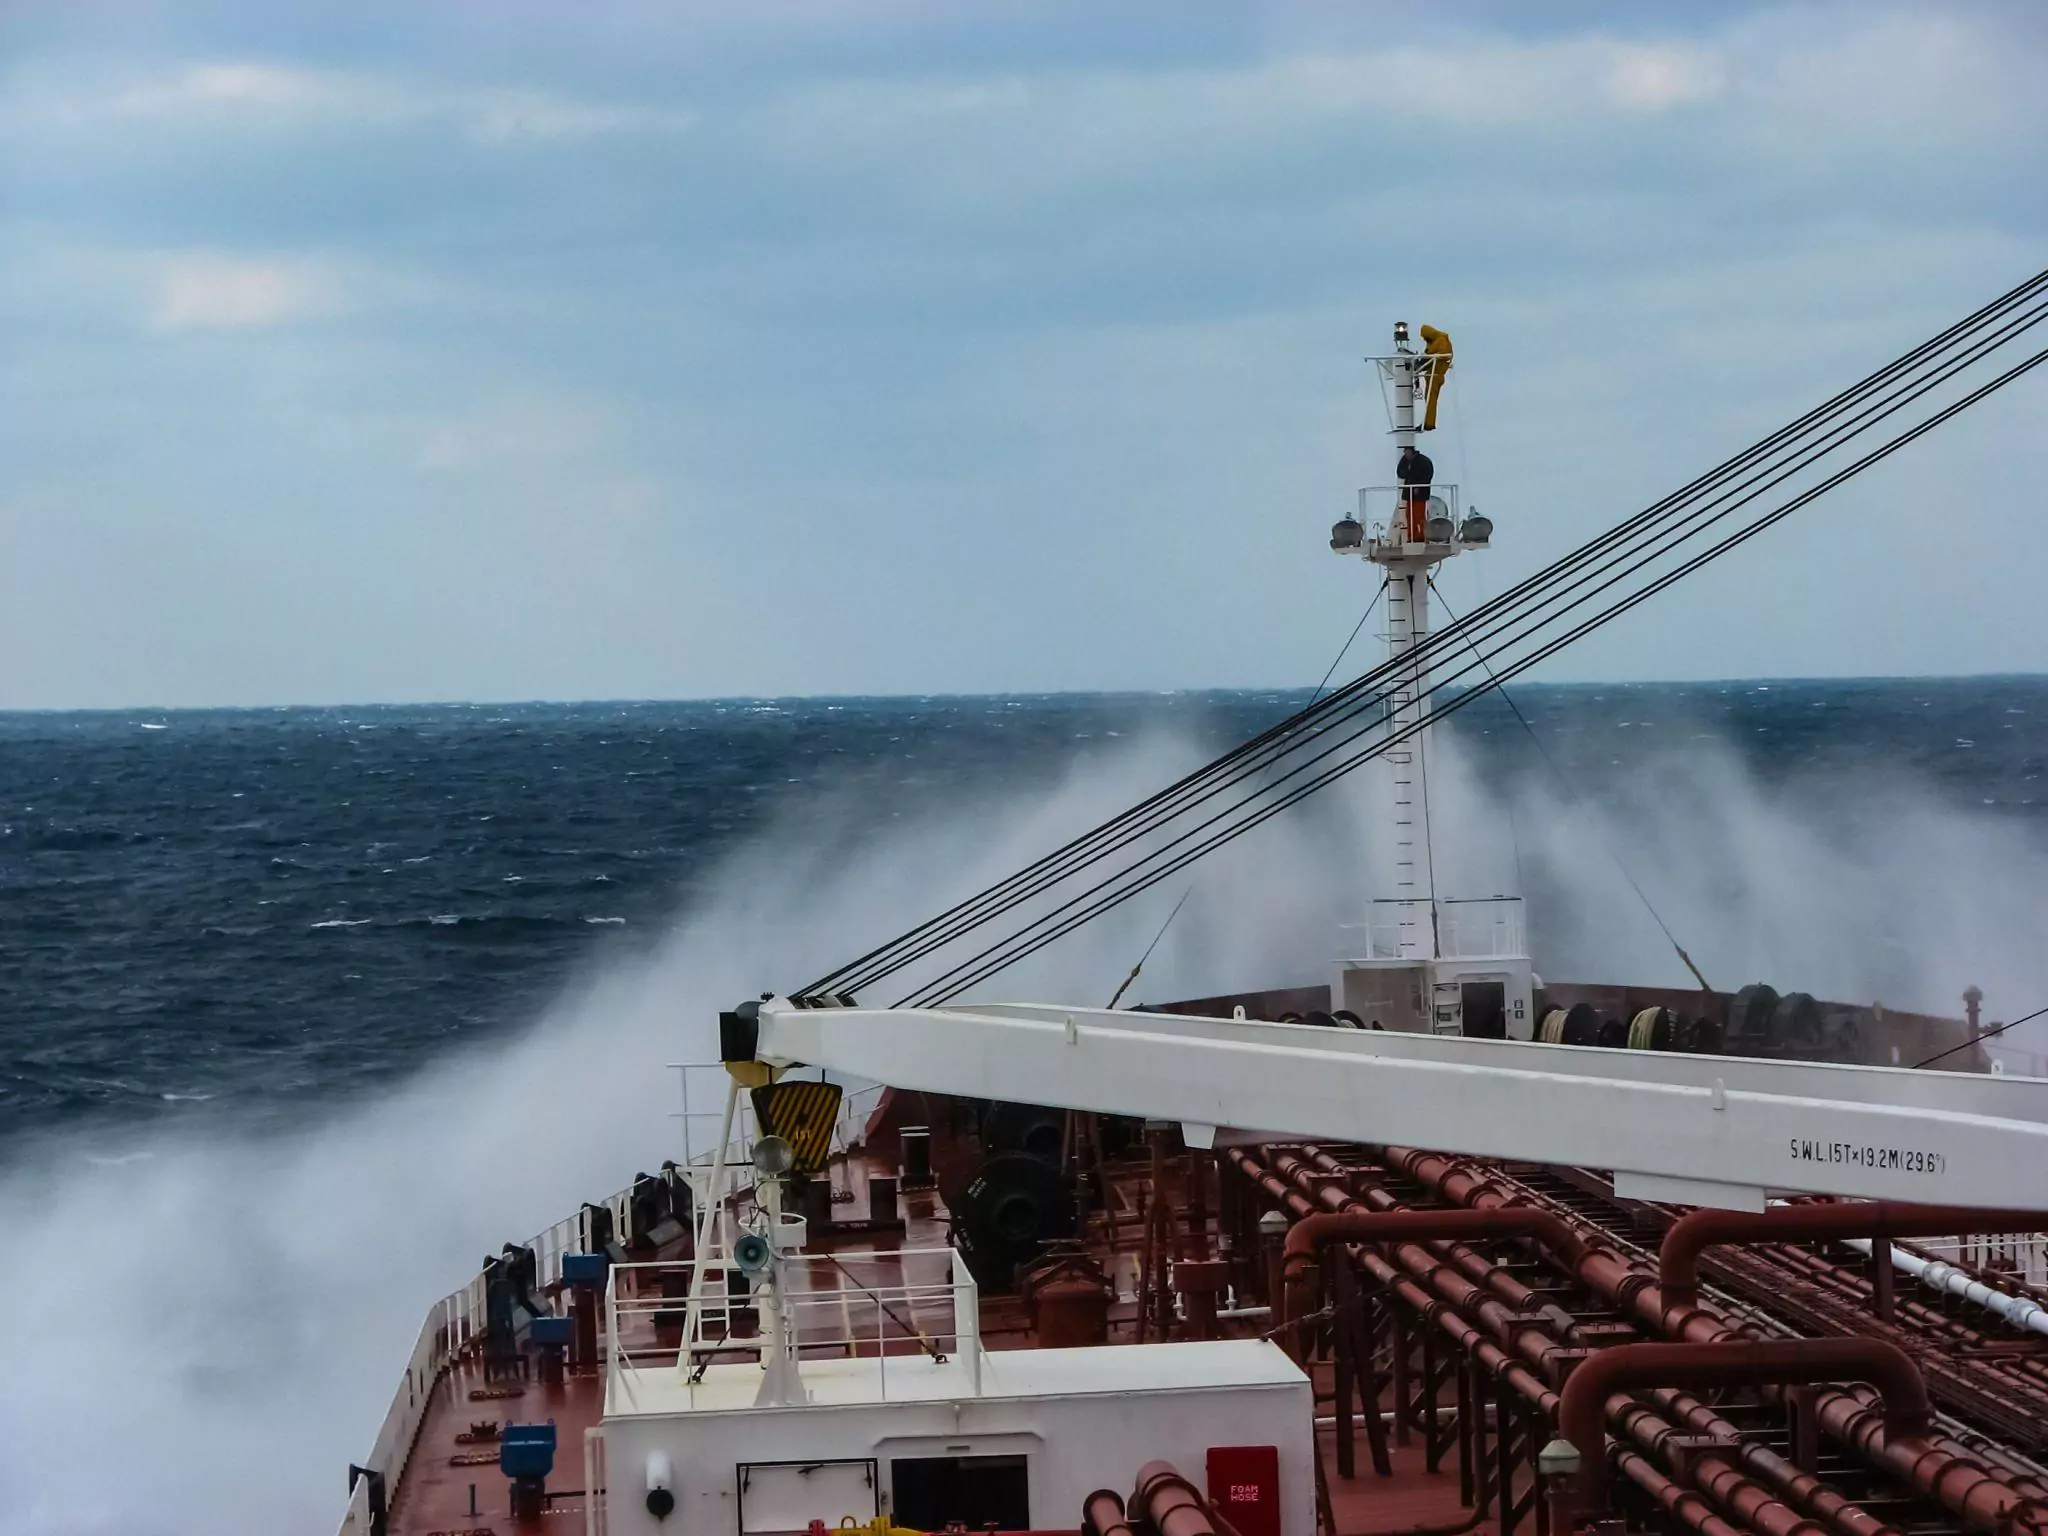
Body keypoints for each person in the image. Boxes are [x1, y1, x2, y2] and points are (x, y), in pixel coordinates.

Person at [1397, 444, 1434, 541]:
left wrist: (1419, 486)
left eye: (1407, 452)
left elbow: (1428, 475)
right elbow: (1400, 473)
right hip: (1409, 493)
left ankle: (1422, 535)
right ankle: (1412, 536)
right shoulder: (1405, 461)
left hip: (1420, 495)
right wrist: (1407, 469)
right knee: (1409, 515)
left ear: (1411, 451)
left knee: (1419, 515)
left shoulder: (1423, 461)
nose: (1406, 454)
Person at [1419, 324, 1453, 431]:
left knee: (1431, 400)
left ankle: (1429, 423)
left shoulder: (1442, 340)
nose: (1425, 339)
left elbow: (1444, 355)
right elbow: (1428, 357)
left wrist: (1427, 359)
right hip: (1431, 375)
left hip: (1436, 375)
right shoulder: (1431, 343)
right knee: (1429, 400)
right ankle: (1427, 421)